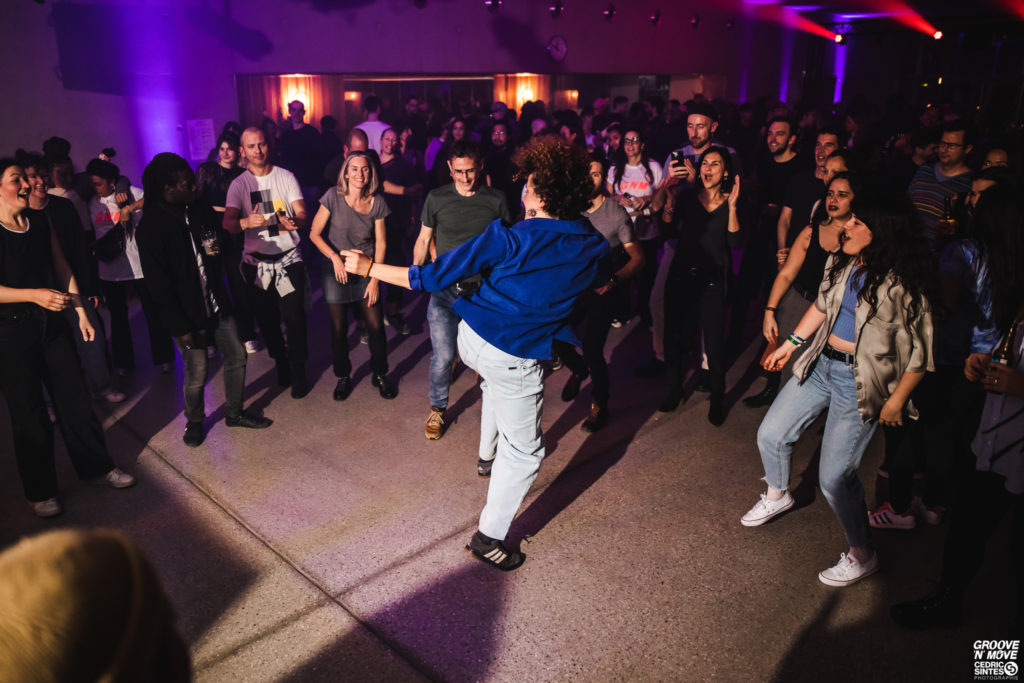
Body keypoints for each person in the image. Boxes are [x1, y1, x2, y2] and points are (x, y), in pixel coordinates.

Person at [340, 137, 609, 570]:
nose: (522, 189)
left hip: (472, 338)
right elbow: (592, 279)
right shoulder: (593, 245)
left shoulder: (509, 237)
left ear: (543, 196)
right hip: (512, 354)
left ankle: (486, 458)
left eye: (530, 184)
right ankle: (488, 538)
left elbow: (429, 277)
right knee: (526, 452)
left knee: (495, 391)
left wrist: (369, 268)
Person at [741, 197, 934, 588]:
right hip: (820, 366)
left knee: (834, 479)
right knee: (771, 434)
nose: (846, 226)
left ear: (880, 233)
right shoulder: (843, 262)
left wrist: (897, 400)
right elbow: (822, 306)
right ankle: (777, 495)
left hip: (860, 382)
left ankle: (863, 554)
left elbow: (921, 354)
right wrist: (789, 346)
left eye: (857, 222)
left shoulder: (904, 286)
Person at [0, 159, 135, 518]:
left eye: (26, 179)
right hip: (11, 332)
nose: (26, 186)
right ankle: (40, 492)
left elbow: (62, 267)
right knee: (29, 413)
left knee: (75, 399)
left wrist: (80, 313)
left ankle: (97, 468)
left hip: (53, 322)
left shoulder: (39, 220)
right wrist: (33, 295)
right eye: (16, 180)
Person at [137, 153, 272, 447]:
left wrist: (216, 247)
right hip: (186, 314)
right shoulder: (151, 227)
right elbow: (158, 285)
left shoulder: (199, 209)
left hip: (216, 300)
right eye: (187, 183)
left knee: (237, 356)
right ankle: (195, 421)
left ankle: (235, 413)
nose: (194, 186)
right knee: (197, 371)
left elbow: (216, 242)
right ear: (167, 188)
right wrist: (178, 326)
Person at [413, 139, 511, 440]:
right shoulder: (436, 198)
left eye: (469, 171)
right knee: (443, 357)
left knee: (487, 358)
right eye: (458, 171)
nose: (465, 178)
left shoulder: (495, 200)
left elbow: (507, 246)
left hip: (481, 292)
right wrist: (414, 274)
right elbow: (423, 239)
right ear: (449, 168)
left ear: (480, 167)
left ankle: (498, 413)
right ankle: (437, 409)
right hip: (444, 291)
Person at [22, 154, 124, 404]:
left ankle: (102, 386)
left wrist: (90, 288)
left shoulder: (63, 207)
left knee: (91, 337)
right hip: (38, 294)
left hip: (72, 286)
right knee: (47, 350)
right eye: (33, 176)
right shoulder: (19, 213)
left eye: (43, 175)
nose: (40, 181)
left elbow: (79, 250)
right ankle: (51, 401)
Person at [554, 155, 644, 432]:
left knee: (592, 349)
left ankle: (599, 404)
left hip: (603, 289)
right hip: (574, 288)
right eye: (585, 173)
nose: (589, 179)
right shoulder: (572, 209)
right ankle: (578, 369)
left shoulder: (616, 214)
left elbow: (638, 258)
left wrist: (615, 280)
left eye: (595, 174)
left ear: (603, 178)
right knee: (554, 334)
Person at [748, 172, 855, 404]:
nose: (833, 199)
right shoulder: (811, 231)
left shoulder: (858, 240)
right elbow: (786, 274)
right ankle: (783, 413)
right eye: (830, 194)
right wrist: (769, 311)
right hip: (798, 304)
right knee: (788, 369)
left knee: (823, 373)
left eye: (842, 195)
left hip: (835, 314)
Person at [657, 146, 742, 426]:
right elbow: (668, 229)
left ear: (726, 172)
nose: (707, 168)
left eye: (715, 164)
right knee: (673, 336)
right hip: (681, 273)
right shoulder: (687, 196)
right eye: (705, 163)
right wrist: (670, 200)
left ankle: (717, 397)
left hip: (711, 280)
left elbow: (734, 242)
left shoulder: (731, 201)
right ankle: (673, 390)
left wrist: (732, 207)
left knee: (714, 343)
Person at [224, 127, 311, 398]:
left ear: (268, 145)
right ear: (243, 151)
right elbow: (228, 223)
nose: (258, 150)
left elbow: (302, 214)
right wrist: (245, 222)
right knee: (268, 319)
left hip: (288, 260)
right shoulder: (239, 184)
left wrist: (293, 221)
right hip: (257, 264)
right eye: (251, 146)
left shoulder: (286, 176)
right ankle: (281, 361)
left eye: (261, 144)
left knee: (294, 317)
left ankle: (298, 369)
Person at [309, 151, 396, 400]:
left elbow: (381, 244)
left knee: (376, 326)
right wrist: (334, 257)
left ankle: (380, 374)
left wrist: (376, 279)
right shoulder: (332, 197)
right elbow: (314, 233)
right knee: (338, 329)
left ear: (371, 173)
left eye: (365, 169)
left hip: (366, 267)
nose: (360, 173)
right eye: (355, 169)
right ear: (346, 173)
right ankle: (343, 376)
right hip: (335, 267)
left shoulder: (377, 202)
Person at [86, 158, 176, 376]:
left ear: (112, 181)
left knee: (153, 314)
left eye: (99, 184)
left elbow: (155, 197)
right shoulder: (93, 203)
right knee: (118, 320)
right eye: (93, 184)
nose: (96, 188)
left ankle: (164, 358)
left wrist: (130, 207)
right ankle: (123, 364)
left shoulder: (131, 193)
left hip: (139, 267)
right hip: (109, 271)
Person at [196, 132, 259, 354]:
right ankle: (212, 339)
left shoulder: (244, 175)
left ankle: (247, 334)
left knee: (239, 283)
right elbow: (197, 201)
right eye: (222, 149)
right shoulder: (207, 170)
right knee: (211, 280)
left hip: (234, 233)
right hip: (210, 232)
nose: (225, 153)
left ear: (237, 151)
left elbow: (255, 203)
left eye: (229, 149)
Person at [607, 128, 662, 327]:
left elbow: (662, 195)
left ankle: (645, 313)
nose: (630, 144)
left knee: (646, 275)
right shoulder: (615, 169)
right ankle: (622, 313)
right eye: (626, 141)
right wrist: (619, 198)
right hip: (622, 230)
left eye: (634, 140)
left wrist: (645, 198)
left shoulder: (653, 167)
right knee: (623, 273)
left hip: (646, 228)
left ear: (642, 145)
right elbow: (607, 196)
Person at [907, 119, 974, 246]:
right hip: (909, 249)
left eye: (951, 145)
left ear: (967, 149)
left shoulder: (970, 183)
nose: (943, 150)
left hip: (940, 253)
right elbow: (907, 206)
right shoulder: (924, 170)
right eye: (942, 143)